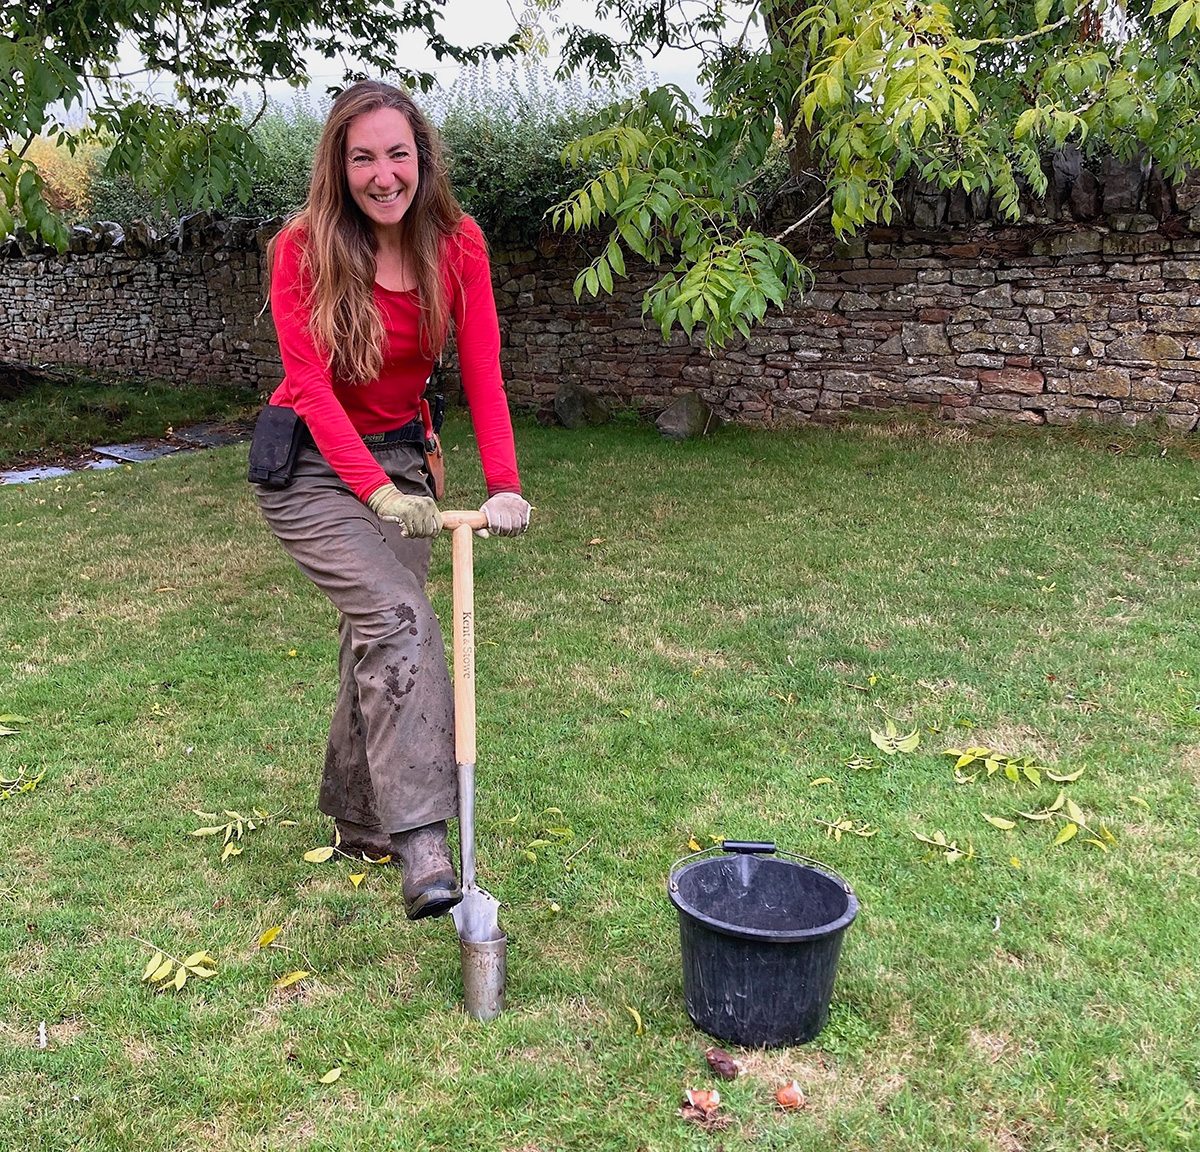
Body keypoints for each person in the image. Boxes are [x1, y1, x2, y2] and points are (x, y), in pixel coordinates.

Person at [251, 80, 531, 921]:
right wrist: (370, 492)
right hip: (307, 464)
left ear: (423, 159)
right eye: (363, 156)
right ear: (339, 165)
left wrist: (506, 482)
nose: (383, 175)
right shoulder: (302, 248)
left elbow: (481, 366)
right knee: (399, 620)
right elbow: (309, 384)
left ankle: (358, 819)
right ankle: (423, 845)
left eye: (398, 154)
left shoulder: (460, 245)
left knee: (375, 631)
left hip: (402, 456)